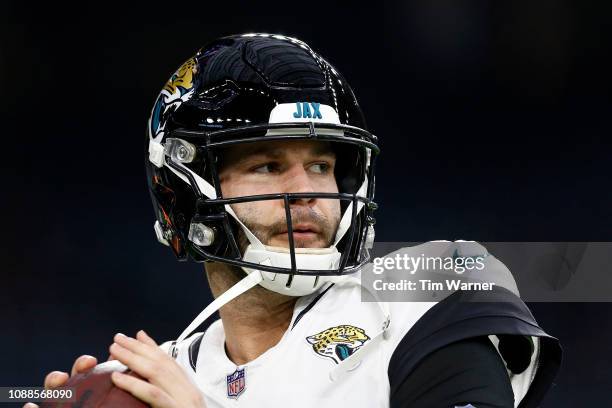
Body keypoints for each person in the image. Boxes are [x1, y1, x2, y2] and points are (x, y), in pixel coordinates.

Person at [25, 33, 561, 408]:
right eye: (266, 165)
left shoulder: (425, 293)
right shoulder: (155, 377)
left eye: (322, 166)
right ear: (183, 193)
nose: (306, 192)